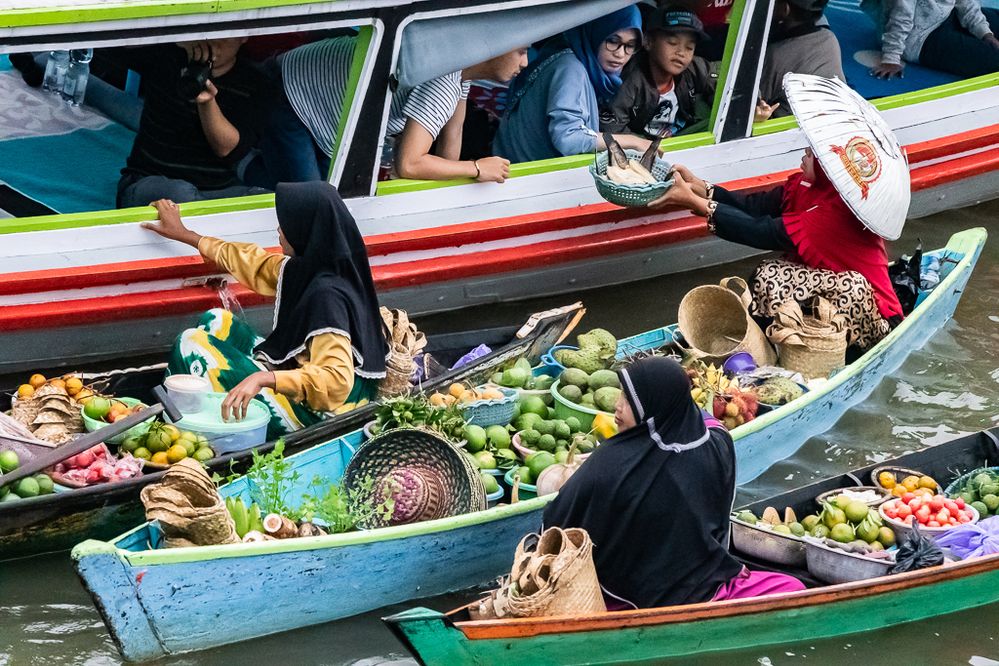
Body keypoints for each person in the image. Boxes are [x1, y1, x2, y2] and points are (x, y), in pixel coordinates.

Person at [543, 356, 805, 610]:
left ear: (654, 407)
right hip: (700, 587)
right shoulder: (715, 444)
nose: (617, 406)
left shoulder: (609, 462)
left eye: (628, 399)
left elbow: (555, 523)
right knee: (792, 587)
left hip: (628, 597)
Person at [142, 182, 388, 438]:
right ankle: (223, 400)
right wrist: (186, 234)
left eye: (286, 224)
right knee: (214, 320)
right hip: (314, 379)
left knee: (190, 343)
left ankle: (193, 428)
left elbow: (335, 382)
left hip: (327, 412)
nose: (279, 230)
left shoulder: (326, 296)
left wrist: (263, 379)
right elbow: (253, 261)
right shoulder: (322, 264)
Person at [648, 149, 904, 350]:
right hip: (826, 301)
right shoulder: (807, 188)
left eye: (810, 154)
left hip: (875, 318)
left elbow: (764, 231)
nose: (803, 156)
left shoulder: (836, 212)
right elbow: (755, 207)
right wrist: (702, 188)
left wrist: (695, 203)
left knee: (770, 274)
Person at [245, 36, 528, 187]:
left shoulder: (459, 66)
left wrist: (453, 178)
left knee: (327, 189)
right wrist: (476, 168)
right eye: (521, 50)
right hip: (290, 91)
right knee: (312, 202)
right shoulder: (443, 80)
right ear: (497, 44)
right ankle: (242, 166)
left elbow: (451, 136)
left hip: (313, 88)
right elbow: (409, 164)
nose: (526, 62)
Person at [113, 39, 273, 208]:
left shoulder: (256, 83)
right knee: (180, 193)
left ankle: (205, 221)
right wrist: (180, 39)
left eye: (223, 34)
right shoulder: (166, 57)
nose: (212, 40)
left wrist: (207, 102)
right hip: (150, 183)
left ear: (242, 37)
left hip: (216, 191)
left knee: (268, 201)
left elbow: (229, 149)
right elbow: (115, 42)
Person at [492, 5, 652, 163]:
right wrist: (633, 141)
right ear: (595, 33)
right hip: (523, 178)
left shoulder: (568, 52)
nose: (620, 53)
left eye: (630, 46)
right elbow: (568, 138)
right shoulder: (571, 69)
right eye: (612, 41)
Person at [602, 7, 719, 140]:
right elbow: (613, 129)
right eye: (672, 43)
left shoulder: (695, 68)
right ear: (648, 42)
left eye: (689, 47)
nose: (681, 53)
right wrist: (644, 144)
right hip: (643, 144)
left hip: (683, 135)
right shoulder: (630, 81)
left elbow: (725, 90)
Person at [756, 0, 844, 121]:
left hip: (788, 127)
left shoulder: (774, 54)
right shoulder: (829, 38)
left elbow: (755, 101)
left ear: (785, 9)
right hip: (833, 120)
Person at [869, 0, 999, 79]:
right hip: (918, 36)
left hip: (946, 16)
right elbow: (900, 17)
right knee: (993, 61)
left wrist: (985, 33)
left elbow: (967, 4)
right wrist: (891, 57)